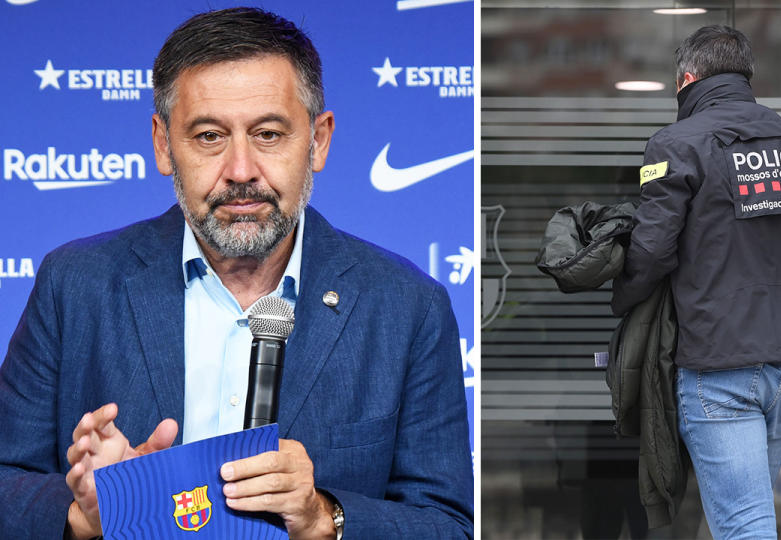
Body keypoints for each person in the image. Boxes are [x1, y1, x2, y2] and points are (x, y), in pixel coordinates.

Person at [0, 8, 472, 539]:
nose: (241, 170)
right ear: (162, 144)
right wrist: (84, 515)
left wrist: (323, 517)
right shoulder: (74, 284)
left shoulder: (406, 306)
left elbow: (446, 525)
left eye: (269, 134)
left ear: (317, 142)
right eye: (208, 136)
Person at [612, 25, 781, 539]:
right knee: (737, 515)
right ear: (746, 76)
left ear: (686, 79)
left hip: (719, 365)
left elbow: (650, 251)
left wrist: (620, 299)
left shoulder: (677, 144)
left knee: (743, 525)